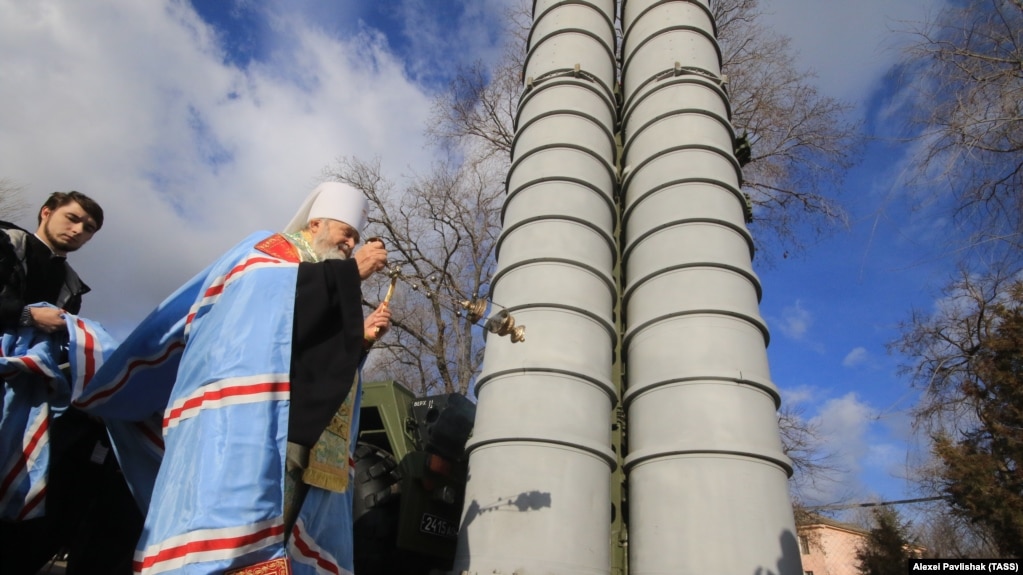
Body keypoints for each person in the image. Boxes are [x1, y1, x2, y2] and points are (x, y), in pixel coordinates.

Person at [66, 181, 391, 574]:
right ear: (316, 222)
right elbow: (256, 298)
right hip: (245, 425)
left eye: (355, 239)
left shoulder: (327, 274)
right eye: (347, 233)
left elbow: (317, 359)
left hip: (305, 436)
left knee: (280, 539)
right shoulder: (272, 250)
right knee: (232, 536)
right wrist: (350, 273)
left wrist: (361, 341)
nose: (350, 243)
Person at [0, 191, 141, 574]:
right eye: (73, 219)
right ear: (46, 212)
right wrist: (28, 314)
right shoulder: (7, 243)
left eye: (89, 229)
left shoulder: (71, 284)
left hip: (34, 388)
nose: (78, 230)